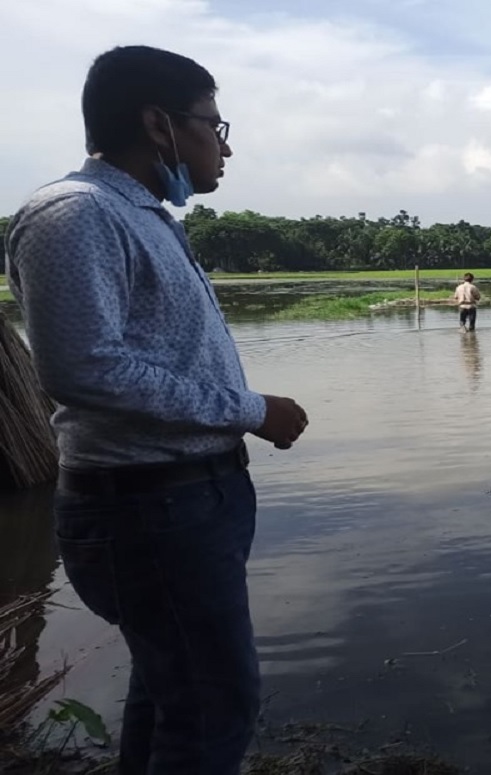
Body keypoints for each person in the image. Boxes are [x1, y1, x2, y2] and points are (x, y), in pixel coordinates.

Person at [4, 46, 308, 774]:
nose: (225, 144)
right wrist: (249, 409)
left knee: (172, 694)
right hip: (150, 507)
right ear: (158, 124)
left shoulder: (142, 216)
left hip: (182, 499)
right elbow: (85, 369)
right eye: (213, 122)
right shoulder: (77, 216)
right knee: (213, 705)